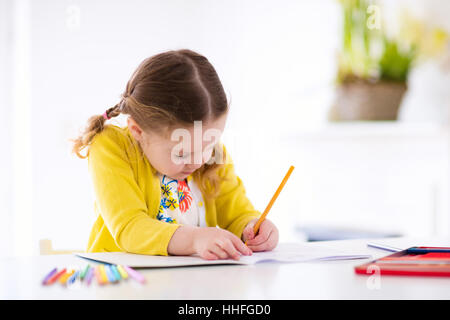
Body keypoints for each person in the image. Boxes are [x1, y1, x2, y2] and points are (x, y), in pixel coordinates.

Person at [72, 49, 279, 260]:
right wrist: (195, 239)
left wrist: (253, 227)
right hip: (126, 282)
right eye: (182, 154)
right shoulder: (112, 146)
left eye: (208, 145)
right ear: (138, 131)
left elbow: (237, 214)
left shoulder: (212, 153)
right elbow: (130, 227)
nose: (199, 161)